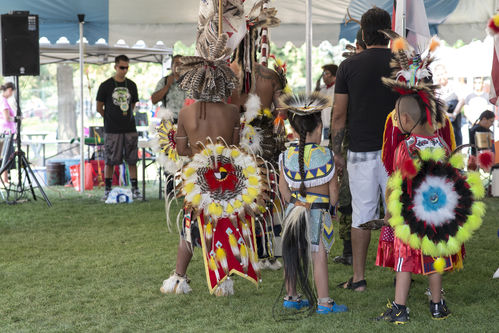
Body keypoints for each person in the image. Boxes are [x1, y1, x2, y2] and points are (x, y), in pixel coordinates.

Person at [160, 33, 267, 296]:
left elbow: (182, 149)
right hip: (224, 178)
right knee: (224, 225)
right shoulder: (232, 112)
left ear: (195, 84)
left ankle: (179, 278)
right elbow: (233, 148)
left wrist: (196, 149)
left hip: (195, 180)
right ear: (221, 82)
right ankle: (223, 279)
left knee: (189, 227)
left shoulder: (185, 113)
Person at [331, 7, 398, 291]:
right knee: (399, 212)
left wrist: (336, 151)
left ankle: (358, 278)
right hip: (397, 151)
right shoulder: (403, 63)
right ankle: (402, 272)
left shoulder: (348, 66)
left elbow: (338, 116)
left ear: (363, 33)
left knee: (362, 214)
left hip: (360, 150)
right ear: (389, 31)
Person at [375, 94, 452, 324]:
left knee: (403, 260)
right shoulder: (443, 144)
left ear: (407, 118)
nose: (397, 122)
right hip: (438, 214)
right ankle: (437, 306)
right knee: (435, 258)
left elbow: (397, 182)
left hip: (410, 216)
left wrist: (389, 212)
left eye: (397, 118)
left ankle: (400, 308)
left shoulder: (406, 147)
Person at [278, 93, 347, 314]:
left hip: (294, 210)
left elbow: (283, 189)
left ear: (296, 130)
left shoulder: (285, 155)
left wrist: (295, 204)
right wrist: (332, 209)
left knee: (292, 252)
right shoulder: (326, 155)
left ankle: (291, 297)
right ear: (318, 128)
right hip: (318, 212)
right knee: (318, 256)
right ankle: (324, 302)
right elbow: (333, 190)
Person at [96, 55, 141, 200]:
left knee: (132, 159)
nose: (125, 70)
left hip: (130, 128)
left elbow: (132, 105)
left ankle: (135, 189)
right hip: (112, 129)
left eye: (127, 67)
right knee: (110, 160)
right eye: (122, 67)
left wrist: (125, 116)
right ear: (115, 67)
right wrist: (110, 118)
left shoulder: (132, 85)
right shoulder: (106, 85)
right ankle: (107, 190)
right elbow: (99, 107)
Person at [434, 64, 465, 146]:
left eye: (442, 74)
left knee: (457, 143)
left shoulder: (454, 85)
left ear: (446, 73)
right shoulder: (435, 89)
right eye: (438, 75)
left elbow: (462, 100)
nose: (441, 77)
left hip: (455, 122)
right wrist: (445, 114)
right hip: (442, 123)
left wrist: (454, 114)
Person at [151, 55, 186, 122]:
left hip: (186, 121)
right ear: (171, 66)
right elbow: (154, 100)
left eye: (182, 64)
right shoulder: (164, 81)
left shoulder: (191, 82)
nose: (179, 66)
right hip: (168, 121)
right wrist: (167, 85)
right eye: (176, 63)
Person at [315, 64, 337, 142]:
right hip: (325, 125)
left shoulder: (338, 88)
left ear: (335, 76)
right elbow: (315, 104)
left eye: (327, 73)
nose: (324, 76)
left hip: (335, 126)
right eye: (323, 73)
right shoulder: (321, 88)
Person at [0, 82, 16, 184]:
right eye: (13, 92)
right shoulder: (3, 101)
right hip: (6, 132)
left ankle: (4, 179)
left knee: (4, 155)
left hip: (5, 132)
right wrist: (16, 118)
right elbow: (6, 118)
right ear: (10, 90)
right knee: (5, 156)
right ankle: (4, 179)